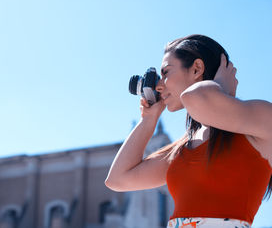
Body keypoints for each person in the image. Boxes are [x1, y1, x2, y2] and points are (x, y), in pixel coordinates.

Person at [105, 34, 272, 228]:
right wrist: (148, 120)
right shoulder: (183, 148)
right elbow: (118, 179)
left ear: (196, 69)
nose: (159, 86)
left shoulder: (262, 118)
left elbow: (195, 98)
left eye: (166, 73)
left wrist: (220, 88)